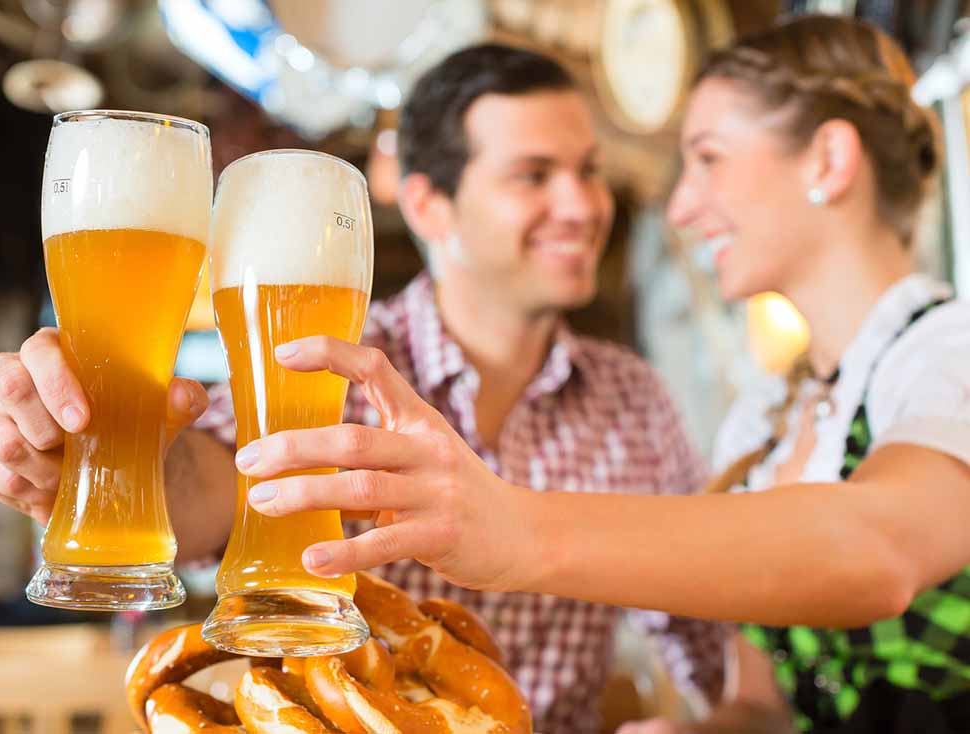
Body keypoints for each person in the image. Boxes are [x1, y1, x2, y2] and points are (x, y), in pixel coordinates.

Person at [222, 15, 970, 734]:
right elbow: (765, 707)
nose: (678, 203)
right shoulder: (770, 417)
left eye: (707, 158)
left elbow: (876, 551)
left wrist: (514, 527)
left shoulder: (950, 351)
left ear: (829, 162)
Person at [0, 44, 729, 732]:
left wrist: (721, 723)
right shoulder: (335, 357)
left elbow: (707, 639)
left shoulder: (635, 396)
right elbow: (213, 483)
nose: (584, 204)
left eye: (590, 170)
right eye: (535, 175)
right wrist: (71, 449)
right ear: (427, 204)